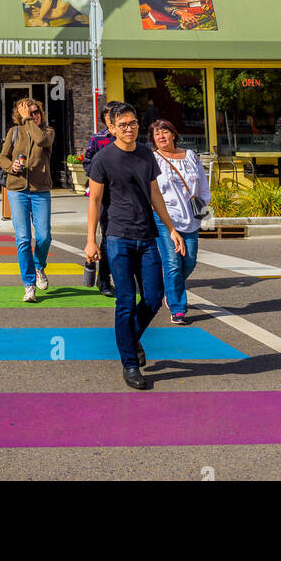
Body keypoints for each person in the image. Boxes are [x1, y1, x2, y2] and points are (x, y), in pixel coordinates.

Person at [86, 102, 185, 391]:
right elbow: (93, 200)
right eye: (123, 125)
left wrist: (171, 228)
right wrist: (91, 239)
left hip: (148, 235)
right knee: (126, 302)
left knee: (154, 297)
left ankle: (131, 338)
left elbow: (155, 193)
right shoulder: (103, 159)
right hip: (118, 237)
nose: (129, 129)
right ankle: (130, 363)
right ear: (113, 128)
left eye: (133, 123)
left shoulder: (146, 155)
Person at [149, 119, 210, 323]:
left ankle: (170, 288)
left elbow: (202, 186)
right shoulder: (153, 159)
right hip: (165, 218)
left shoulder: (190, 156)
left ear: (173, 134)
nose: (161, 136)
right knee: (173, 264)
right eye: (157, 134)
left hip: (190, 219)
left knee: (190, 261)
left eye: (165, 132)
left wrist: (203, 214)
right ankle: (178, 307)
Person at [0, 98, 55, 303]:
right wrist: (10, 166)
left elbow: (40, 141)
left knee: (44, 237)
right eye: (30, 113)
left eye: (36, 112)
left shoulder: (47, 132)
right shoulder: (14, 132)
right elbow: (2, 157)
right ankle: (29, 284)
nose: (34, 116)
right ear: (20, 116)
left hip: (41, 191)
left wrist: (27, 120)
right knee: (23, 239)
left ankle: (39, 265)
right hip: (17, 190)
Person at [82, 105, 116, 296]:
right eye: (110, 115)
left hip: (127, 197)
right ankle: (104, 280)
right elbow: (87, 162)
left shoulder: (127, 138)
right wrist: (100, 178)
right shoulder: (98, 139)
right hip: (105, 195)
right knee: (107, 236)